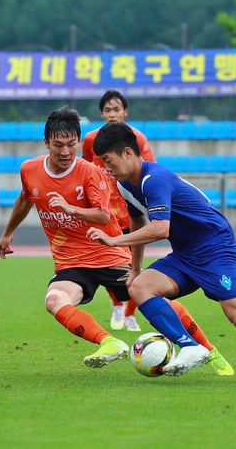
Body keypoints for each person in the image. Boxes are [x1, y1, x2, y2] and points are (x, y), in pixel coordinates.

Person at [0, 107, 233, 375]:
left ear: (78, 141)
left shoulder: (89, 172)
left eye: (71, 145)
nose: (65, 152)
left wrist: (70, 209)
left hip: (108, 255)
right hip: (70, 261)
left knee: (153, 300)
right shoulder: (30, 169)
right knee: (54, 300)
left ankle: (210, 351)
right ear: (46, 143)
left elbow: (102, 215)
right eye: (58, 145)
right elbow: (26, 198)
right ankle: (109, 342)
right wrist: (7, 233)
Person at [87, 122, 236, 386]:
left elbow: (161, 228)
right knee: (140, 287)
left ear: (127, 153)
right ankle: (190, 346)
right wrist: (136, 267)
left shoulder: (155, 179)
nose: (106, 167)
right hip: (185, 254)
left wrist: (115, 240)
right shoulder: (125, 186)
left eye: (108, 160)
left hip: (215, 248)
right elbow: (139, 222)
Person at [82, 90, 155, 332]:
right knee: (106, 262)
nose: (112, 114)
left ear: (125, 112)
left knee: (134, 264)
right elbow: (84, 170)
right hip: (103, 212)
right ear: (101, 113)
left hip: (130, 212)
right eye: (107, 110)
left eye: (116, 109)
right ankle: (116, 305)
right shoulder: (92, 140)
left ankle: (131, 313)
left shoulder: (138, 139)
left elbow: (150, 171)